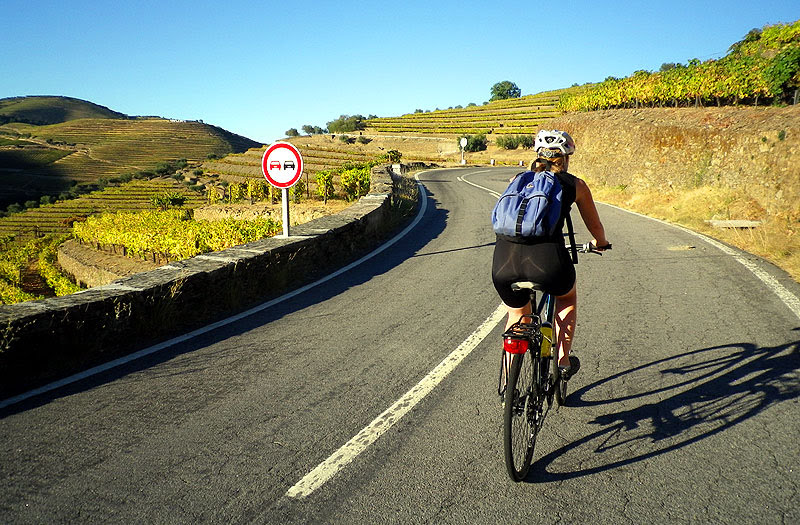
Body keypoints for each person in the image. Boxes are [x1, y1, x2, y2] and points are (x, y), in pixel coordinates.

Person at [491, 129, 610, 382]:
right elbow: (596, 228)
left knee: (517, 314)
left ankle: (507, 383)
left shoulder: (517, 179)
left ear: (537, 154)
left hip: (503, 263)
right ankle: (563, 360)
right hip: (548, 264)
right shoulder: (574, 185)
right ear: (566, 157)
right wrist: (600, 243)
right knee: (566, 297)